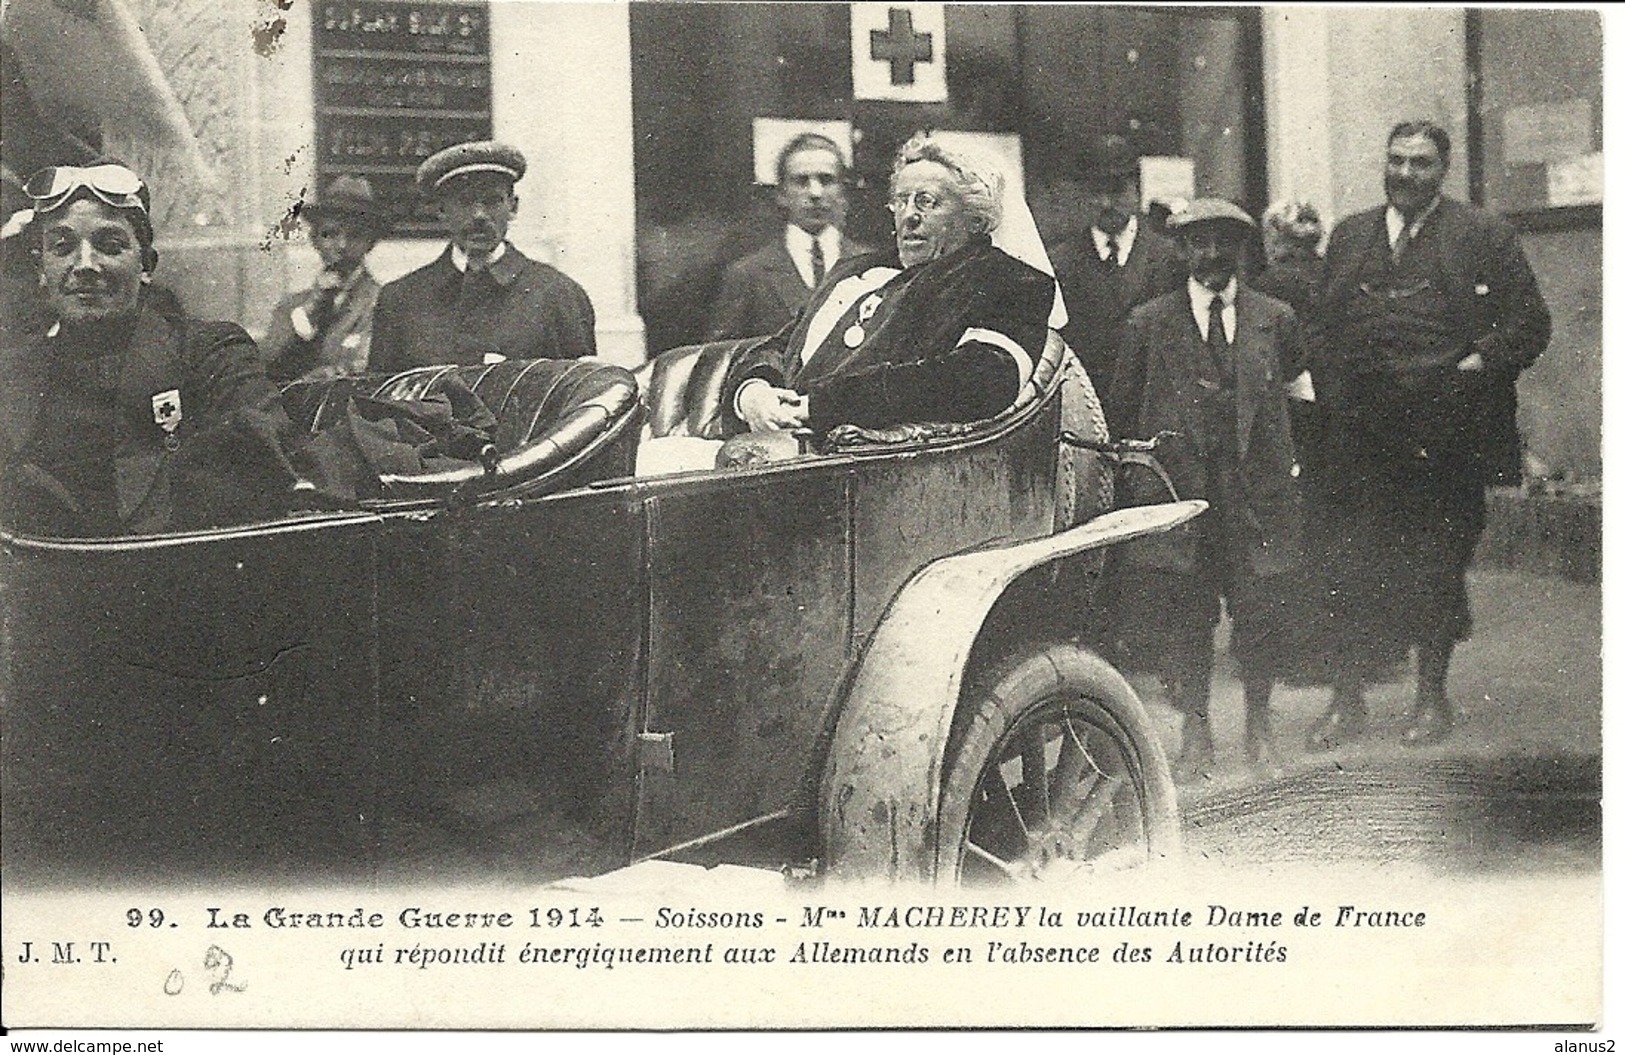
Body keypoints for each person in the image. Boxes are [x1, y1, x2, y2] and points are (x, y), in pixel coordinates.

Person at [1303, 120, 1551, 749]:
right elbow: (1324, 324)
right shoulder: (1352, 234)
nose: (1406, 175)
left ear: (1444, 171)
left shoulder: (1483, 234)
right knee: (1345, 562)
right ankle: (1347, 700)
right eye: (1396, 161)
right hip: (1360, 433)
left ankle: (1431, 699)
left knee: (1434, 567)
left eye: (1421, 164)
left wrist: (1480, 361)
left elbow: (1531, 323)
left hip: (1444, 433)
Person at [1108, 199, 1305, 779]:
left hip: (1254, 497)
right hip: (1182, 497)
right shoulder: (1148, 324)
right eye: (1199, 243)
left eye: (1225, 243)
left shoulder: (1276, 319)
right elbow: (1123, 419)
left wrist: (1290, 473)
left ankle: (1260, 723)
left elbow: (1300, 401)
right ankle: (1196, 730)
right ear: (1180, 250)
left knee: (1257, 613)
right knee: (1187, 620)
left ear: (1243, 251)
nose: (1212, 255)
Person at [0, 162, 305, 536]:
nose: (84, 265)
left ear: (146, 264)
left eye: (109, 246)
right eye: (62, 247)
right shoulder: (12, 373)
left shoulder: (212, 353)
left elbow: (265, 455)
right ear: (42, 269)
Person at [719, 131, 1065, 439]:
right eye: (901, 201)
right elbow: (779, 346)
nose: (908, 216)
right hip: (774, 446)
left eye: (927, 202)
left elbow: (980, 379)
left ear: (974, 216)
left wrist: (820, 406)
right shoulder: (854, 272)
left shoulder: (1006, 280)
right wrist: (753, 394)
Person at [368, 140, 596, 374]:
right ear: (441, 211)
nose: (479, 215)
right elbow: (380, 398)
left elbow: (581, 400)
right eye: (465, 202)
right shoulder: (400, 301)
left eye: (492, 201)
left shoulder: (557, 295)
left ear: (513, 207)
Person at [1049, 133, 1183, 426]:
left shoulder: (1170, 258)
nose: (1107, 202)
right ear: (1083, 194)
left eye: (1117, 189)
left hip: (1156, 411)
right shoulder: (1060, 263)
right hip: (1089, 415)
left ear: (1136, 189)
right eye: (1097, 191)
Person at [706, 132, 870, 341]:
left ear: (842, 191)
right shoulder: (747, 275)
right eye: (801, 181)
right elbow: (724, 358)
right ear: (781, 194)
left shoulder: (870, 267)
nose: (815, 193)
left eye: (826, 180)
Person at [261, 175, 387, 383]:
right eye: (330, 234)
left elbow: (366, 369)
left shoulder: (382, 303)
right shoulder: (293, 306)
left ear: (370, 243)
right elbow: (267, 364)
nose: (342, 245)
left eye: (355, 235)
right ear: (315, 240)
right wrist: (310, 310)